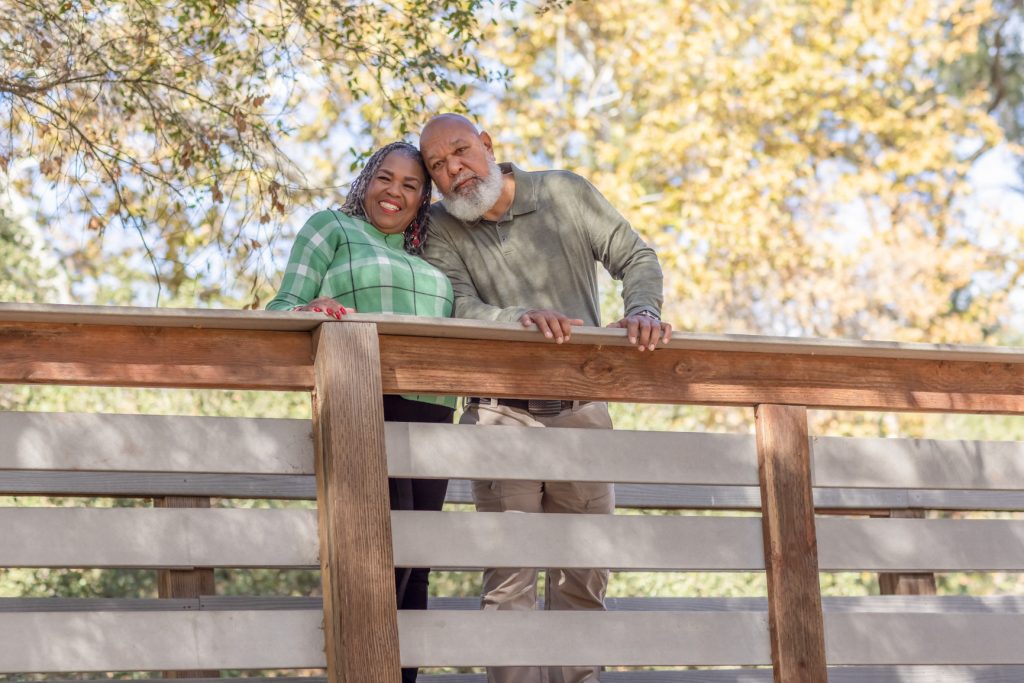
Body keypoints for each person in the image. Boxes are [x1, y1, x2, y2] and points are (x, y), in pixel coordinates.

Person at [419, 113, 672, 683]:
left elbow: (636, 257)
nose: (452, 169)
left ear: (486, 144)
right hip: (497, 414)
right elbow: (455, 305)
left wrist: (643, 311)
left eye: (460, 151)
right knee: (509, 584)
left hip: (581, 413)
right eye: (437, 165)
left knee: (583, 578)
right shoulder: (439, 226)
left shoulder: (563, 192)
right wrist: (518, 319)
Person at [266, 141, 454, 683]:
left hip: (437, 409)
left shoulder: (432, 253)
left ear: (423, 199)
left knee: (416, 565)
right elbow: (282, 307)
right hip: (364, 401)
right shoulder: (332, 228)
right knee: (377, 557)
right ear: (365, 181)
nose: (394, 192)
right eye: (384, 178)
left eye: (411, 185)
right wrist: (312, 311)